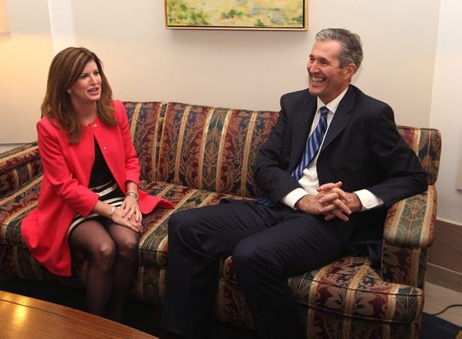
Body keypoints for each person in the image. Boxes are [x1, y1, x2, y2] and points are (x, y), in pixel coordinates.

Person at [161, 28, 428, 338]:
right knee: (184, 225)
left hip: (328, 222)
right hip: (283, 203)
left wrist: (357, 199)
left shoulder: (371, 114)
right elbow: (265, 164)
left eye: (324, 62)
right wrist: (300, 198)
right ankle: (182, 331)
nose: (312, 69)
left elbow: (413, 176)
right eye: (311, 58)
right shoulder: (295, 104)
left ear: (348, 70)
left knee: (252, 254)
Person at [21, 47, 173, 321]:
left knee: (128, 243)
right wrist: (111, 212)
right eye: (84, 76)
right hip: (73, 205)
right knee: (104, 249)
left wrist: (131, 196)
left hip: (115, 196)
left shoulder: (113, 110)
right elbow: (64, 187)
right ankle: (94, 324)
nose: (94, 81)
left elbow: (130, 159)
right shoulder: (49, 127)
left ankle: (114, 317)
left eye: (96, 73)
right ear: (66, 85)